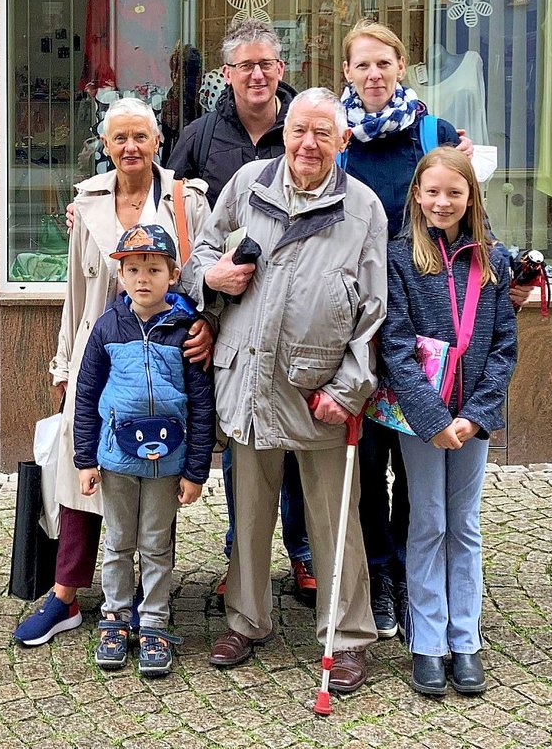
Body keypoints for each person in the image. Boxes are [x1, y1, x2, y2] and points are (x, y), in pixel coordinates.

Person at [182, 87, 387, 694]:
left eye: (324, 133)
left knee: (334, 520)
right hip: (249, 378)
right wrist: (210, 278)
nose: (309, 144)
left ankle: (346, 636)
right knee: (248, 511)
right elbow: (201, 260)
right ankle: (247, 620)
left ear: (342, 141)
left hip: (318, 389)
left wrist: (349, 390)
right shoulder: (248, 184)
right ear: (285, 132)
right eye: (300, 130)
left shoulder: (364, 210)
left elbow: (375, 313)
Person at [12, 97, 213, 647]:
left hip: (164, 357)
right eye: (119, 138)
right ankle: (65, 594)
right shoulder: (87, 202)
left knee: (152, 472)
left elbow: (204, 275)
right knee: (80, 477)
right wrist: (62, 363)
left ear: (157, 143)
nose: (130, 148)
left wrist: (207, 326)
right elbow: (75, 293)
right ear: (105, 146)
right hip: (98, 353)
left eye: (140, 137)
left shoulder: (185, 200)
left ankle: (150, 607)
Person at [167, 19, 315, 608]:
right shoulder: (201, 137)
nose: (257, 74)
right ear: (225, 76)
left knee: (303, 436)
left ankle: (303, 556)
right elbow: (164, 208)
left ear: (282, 69)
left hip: (300, 312)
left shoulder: (304, 130)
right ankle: (241, 554)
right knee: (245, 441)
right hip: (232, 313)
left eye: (267, 64)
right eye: (244, 66)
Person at [339, 19, 465, 640]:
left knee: (419, 458)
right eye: (362, 65)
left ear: (400, 67)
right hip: (359, 323)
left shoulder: (433, 133)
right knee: (365, 464)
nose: (374, 75)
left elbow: (464, 219)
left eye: (383, 63)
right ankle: (379, 576)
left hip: (425, 325)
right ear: (347, 73)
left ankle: (420, 577)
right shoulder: (333, 139)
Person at [380, 148, 517, 697]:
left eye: (453, 193)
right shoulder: (400, 258)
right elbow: (395, 347)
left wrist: (475, 415)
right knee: (428, 523)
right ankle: (428, 641)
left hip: (471, 420)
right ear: (417, 194)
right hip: (422, 419)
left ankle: (466, 638)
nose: (442, 202)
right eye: (432, 192)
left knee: (464, 526)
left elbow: (504, 345)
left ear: (470, 198)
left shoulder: (492, 260)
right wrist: (433, 418)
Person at [73, 224, 214, 676]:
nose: (142, 279)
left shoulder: (186, 330)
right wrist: (85, 458)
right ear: (121, 275)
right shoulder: (107, 327)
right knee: (117, 542)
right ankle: (115, 617)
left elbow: (201, 402)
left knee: (155, 544)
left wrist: (196, 470)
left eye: (153, 269)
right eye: (132, 269)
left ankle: (153, 620)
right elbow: (87, 393)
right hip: (116, 458)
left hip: (167, 462)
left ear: (173, 274)